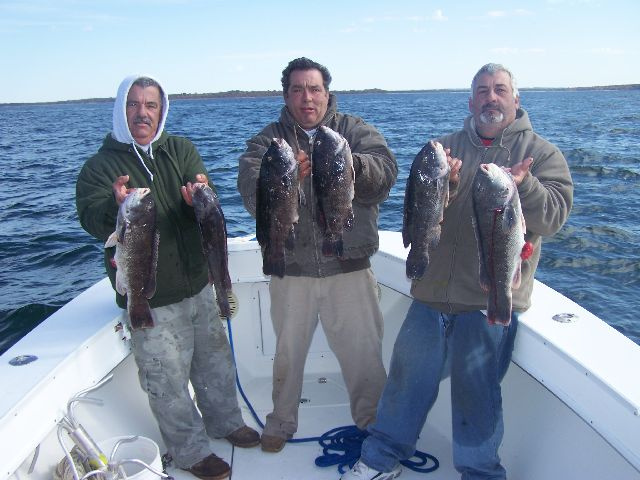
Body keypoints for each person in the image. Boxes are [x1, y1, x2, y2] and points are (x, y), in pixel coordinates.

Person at [342, 63, 574, 480]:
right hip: (431, 294)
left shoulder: (540, 154)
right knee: (405, 382)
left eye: (500, 89)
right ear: (470, 101)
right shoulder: (444, 149)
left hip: (488, 301)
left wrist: (525, 186)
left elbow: (554, 217)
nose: (491, 97)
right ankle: (380, 460)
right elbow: (418, 210)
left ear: (515, 100)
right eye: (482, 90)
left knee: (477, 398)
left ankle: (481, 474)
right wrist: (443, 183)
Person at [76, 75, 259, 480]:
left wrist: (199, 195)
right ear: (121, 109)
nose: (143, 113)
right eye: (134, 104)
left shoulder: (179, 149)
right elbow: (90, 218)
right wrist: (115, 206)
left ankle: (226, 422)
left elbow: (200, 184)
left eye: (151, 105)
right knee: (167, 377)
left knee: (215, 364)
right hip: (149, 297)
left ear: (162, 110)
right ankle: (191, 452)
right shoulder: (99, 167)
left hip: (198, 283)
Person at [237, 57, 398, 453]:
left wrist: (345, 164)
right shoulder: (269, 141)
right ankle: (281, 421)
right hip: (291, 268)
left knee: (364, 356)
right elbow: (248, 189)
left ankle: (373, 421)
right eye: (297, 89)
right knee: (287, 356)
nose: (306, 98)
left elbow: (386, 174)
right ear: (286, 95)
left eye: (314, 89)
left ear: (327, 93)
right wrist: (286, 175)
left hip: (349, 265)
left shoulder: (354, 131)